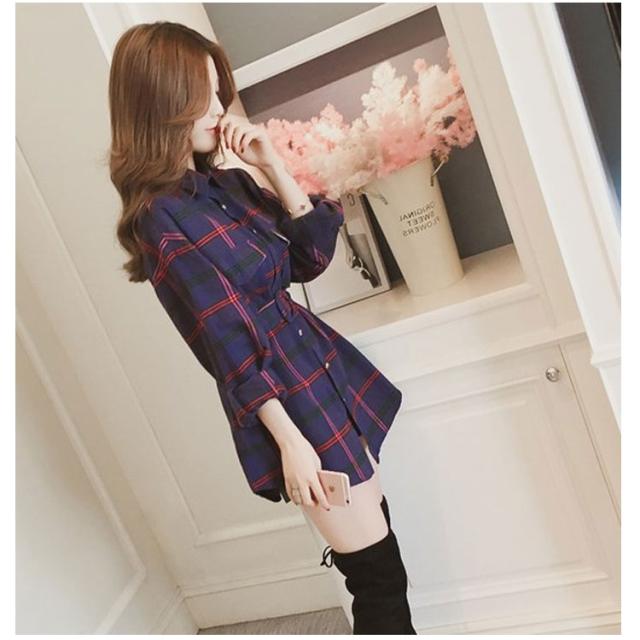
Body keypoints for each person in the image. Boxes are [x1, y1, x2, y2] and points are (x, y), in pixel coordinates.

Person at [108, 21, 416, 635]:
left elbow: (310, 258)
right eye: (204, 94)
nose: (219, 108)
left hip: (319, 365)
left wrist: (272, 165)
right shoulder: (160, 219)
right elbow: (226, 341)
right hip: (288, 398)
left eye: (218, 91)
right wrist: (290, 442)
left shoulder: (224, 185)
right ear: (163, 101)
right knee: (377, 577)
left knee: (379, 546)